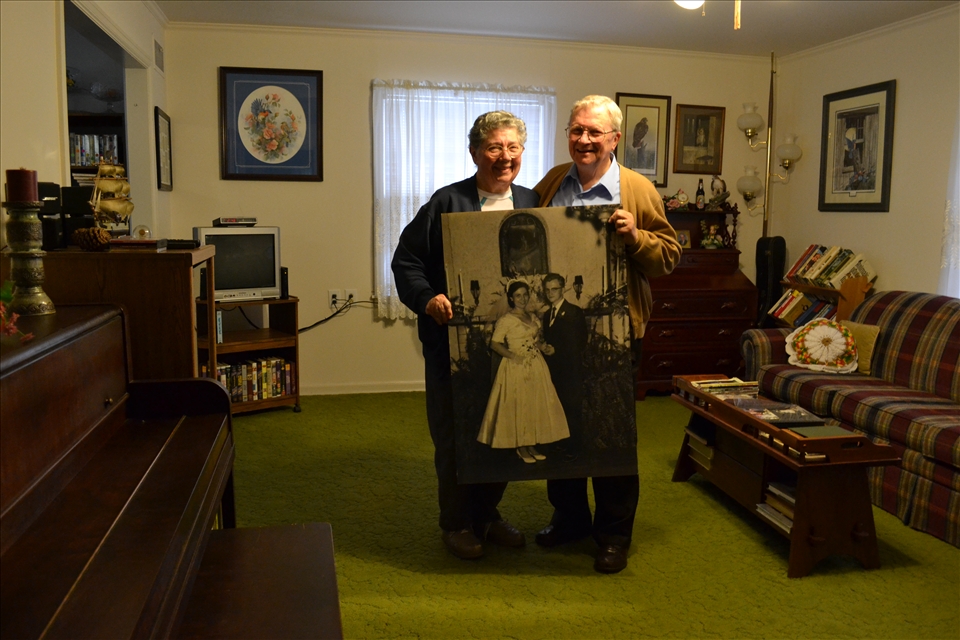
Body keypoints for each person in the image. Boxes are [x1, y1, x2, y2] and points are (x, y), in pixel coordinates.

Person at [533, 95, 681, 573]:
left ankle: (614, 533)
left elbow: (669, 256)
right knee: (561, 426)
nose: (584, 140)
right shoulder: (552, 182)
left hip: (616, 333)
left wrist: (636, 237)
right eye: (576, 130)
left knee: (610, 432)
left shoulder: (636, 188)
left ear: (615, 139)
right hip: (559, 331)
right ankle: (570, 518)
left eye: (594, 132)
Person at [391, 111, 537, 560]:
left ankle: (487, 515)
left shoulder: (532, 201)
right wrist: (428, 298)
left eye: (513, 147)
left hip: (510, 349)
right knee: (456, 433)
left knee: (504, 428)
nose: (504, 157)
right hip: (455, 344)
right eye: (494, 147)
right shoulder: (446, 202)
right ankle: (455, 523)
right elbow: (406, 261)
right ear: (474, 152)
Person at [477, 280, 569, 463]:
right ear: (511, 298)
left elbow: (535, 340)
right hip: (516, 366)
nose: (522, 298)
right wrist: (513, 356)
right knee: (520, 406)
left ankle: (531, 444)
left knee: (534, 405)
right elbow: (494, 344)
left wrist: (543, 347)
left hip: (536, 365)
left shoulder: (532, 317)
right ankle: (521, 447)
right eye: (518, 295)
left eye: (525, 294)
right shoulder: (506, 320)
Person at [540, 273, 587, 461]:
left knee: (572, 407)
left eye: (554, 289)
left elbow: (580, 342)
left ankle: (576, 448)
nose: (550, 293)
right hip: (554, 370)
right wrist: (545, 347)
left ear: (563, 289)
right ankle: (563, 444)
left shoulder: (574, 312)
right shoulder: (547, 315)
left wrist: (557, 350)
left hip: (570, 370)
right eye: (547, 290)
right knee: (558, 407)